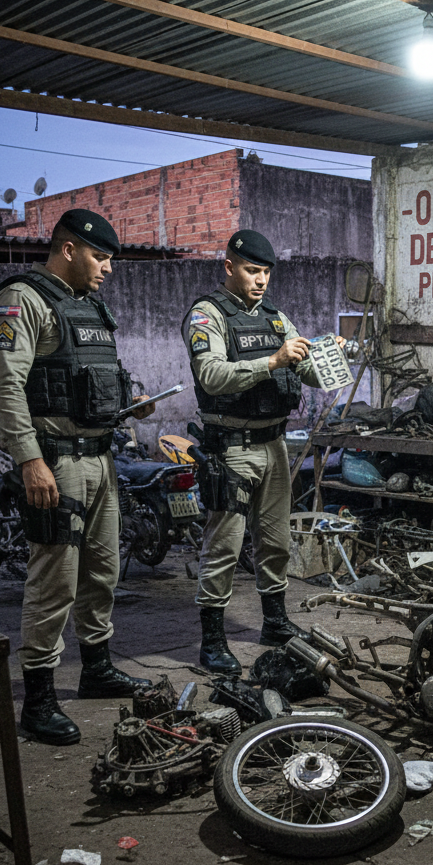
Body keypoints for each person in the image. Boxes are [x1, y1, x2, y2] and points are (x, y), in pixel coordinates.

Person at [0, 209, 154, 746]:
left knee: (102, 573)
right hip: (55, 463)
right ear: (68, 250)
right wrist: (30, 460)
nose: (107, 268)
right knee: (54, 580)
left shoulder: (88, 307)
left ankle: (97, 670)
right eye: (100, 257)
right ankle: (38, 700)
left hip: (102, 459)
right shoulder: (24, 299)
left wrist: (133, 403)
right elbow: (4, 387)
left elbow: (94, 379)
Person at [183, 229, 343, 675]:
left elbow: (311, 372)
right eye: (253, 270)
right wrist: (273, 360)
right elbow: (212, 375)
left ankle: (275, 623)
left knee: (275, 541)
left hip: (273, 444)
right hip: (231, 448)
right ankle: (212, 640)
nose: (261, 280)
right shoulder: (206, 315)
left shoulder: (275, 317)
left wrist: (328, 352)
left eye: (266, 272)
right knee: (225, 547)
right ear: (230, 266)